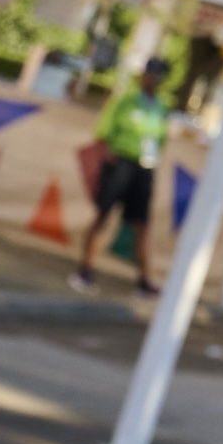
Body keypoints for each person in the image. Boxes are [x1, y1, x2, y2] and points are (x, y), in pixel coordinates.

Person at [71, 64, 166, 297]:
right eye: (150, 75)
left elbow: (160, 139)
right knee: (102, 215)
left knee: (142, 224)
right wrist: (109, 156)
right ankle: (85, 269)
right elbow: (104, 131)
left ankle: (144, 280)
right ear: (144, 76)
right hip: (121, 163)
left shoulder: (162, 108)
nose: (153, 80)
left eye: (157, 76)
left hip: (144, 168)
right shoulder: (126, 101)